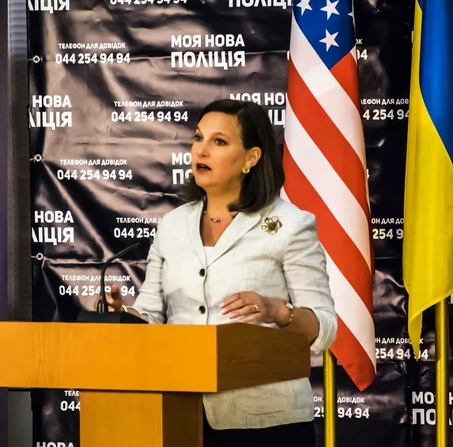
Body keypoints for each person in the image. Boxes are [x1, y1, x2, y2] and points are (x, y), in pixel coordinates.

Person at [106, 98, 337, 447]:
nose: (201, 151)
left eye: (219, 141)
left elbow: (325, 326)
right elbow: (151, 314)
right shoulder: (172, 225)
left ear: (251, 158)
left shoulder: (292, 225)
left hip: (265, 422)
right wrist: (125, 315)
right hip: (180, 412)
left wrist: (278, 311)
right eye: (198, 138)